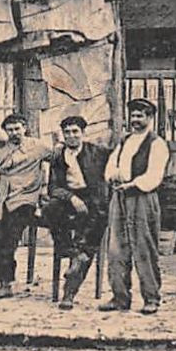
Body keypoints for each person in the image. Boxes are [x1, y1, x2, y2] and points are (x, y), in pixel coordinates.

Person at [101, 96, 170, 315]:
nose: (136, 120)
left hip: (142, 198)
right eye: (133, 115)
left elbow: (154, 175)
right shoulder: (125, 141)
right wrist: (113, 177)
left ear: (150, 118)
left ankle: (151, 297)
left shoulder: (156, 144)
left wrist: (133, 184)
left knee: (143, 248)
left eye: (141, 116)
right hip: (119, 198)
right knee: (116, 248)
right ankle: (120, 297)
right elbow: (112, 165)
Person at [0, 113, 47, 300]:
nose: (14, 133)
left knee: (8, 240)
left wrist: (47, 188)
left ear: (25, 128)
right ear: (5, 132)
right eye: (10, 129)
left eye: (17, 128)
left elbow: (60, 159)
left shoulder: (38, 147)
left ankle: (6, 284)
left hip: (25, 200)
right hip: (1, 199)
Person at [39, 114, 109, 309]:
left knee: (87, 245)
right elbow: (54, 187)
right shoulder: (59, 156)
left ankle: (69, 293)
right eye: (67, 132)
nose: (71, 136)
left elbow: (118, 162)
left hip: (95, 202)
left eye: (75, 132)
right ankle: (67, 249)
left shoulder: (98, 152)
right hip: (70, 197)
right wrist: (72, 198)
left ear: (83, 133)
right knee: (50, 208)